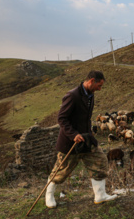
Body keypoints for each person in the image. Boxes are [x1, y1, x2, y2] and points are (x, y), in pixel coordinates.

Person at [45, 70, 117, 208]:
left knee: (100, 162)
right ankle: (49, 195)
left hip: (86, 139)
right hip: (70, 141)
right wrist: (73, 135)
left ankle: (100, 195)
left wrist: (89, 134)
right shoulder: (72, 96)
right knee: (61, 170)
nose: (100, 89)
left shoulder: (90, 94)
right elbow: (62, 118)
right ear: (91, 81)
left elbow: (86, 118)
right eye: (99, 85)